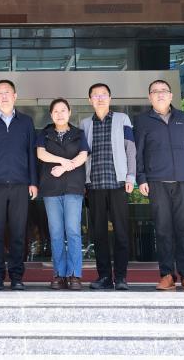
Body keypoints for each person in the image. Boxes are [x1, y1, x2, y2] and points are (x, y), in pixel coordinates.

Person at [135, 78, 184, 292]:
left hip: (183, 180)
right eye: (155, 91)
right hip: (156, 182)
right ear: (150, 97)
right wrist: (141, 178)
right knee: (163, 229)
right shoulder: (142, 121)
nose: (160, 94)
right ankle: (166, 275)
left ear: (171, 95)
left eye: (164, 90)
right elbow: (138, 153)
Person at [0, 79, 38, 290]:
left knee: (18, 233)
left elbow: (31, 153)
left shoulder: (26, 122)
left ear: (15, 96)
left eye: (7, 92)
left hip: (21, 184)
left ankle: (16, 277)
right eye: (0, 93)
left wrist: (33, 181)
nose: (4, 96)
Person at [81, 82, 137, 291]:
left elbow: (131, 149)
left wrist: (131, 177)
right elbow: (81, 155)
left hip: (118, 184)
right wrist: (83, 182)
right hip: (94, 185)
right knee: (99, 235)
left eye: (104, 94)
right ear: (90, 100)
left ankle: (121, 277)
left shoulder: (122, 119)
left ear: (110, 98)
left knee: (121, 232)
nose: (100, 98)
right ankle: (104, 276)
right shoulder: (84, 124)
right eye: (95, 95)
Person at [36, 98, 89, 290]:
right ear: (51, 114)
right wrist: (63, 161)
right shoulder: (45, 133)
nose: (60, 114)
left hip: (73, 188)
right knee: (56, 233)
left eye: (63, 110)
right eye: (56, 111)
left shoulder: (78, 133)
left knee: (73, 231)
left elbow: (83, 156)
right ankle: (59, 274)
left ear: (69, 112)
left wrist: (65, 168)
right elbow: (41, 154)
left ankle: (74, 275)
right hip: (51, 189)